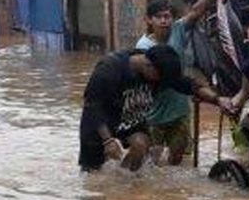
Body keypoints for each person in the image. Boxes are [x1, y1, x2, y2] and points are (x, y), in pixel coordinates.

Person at [79, 45, 233, 173]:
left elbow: (188, 85)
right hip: (99, 122)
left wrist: (218, 100)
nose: (161, 83)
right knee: (93, 175)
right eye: (160, 78)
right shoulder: (109, 70)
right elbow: (92, 105)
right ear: (149, 66)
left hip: (129, 119)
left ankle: (126, 185)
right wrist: (107, 140)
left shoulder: (160, 69)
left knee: (141, 145)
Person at [136, 0, 229, 165]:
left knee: (177, 161)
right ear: (148, 20)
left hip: (180, 112)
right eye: (159, 17)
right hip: (153, 115)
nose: (164, 21)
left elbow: (196, 12)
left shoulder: (177, 30)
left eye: (167, 16)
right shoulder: (143, 48)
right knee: (151, 164)